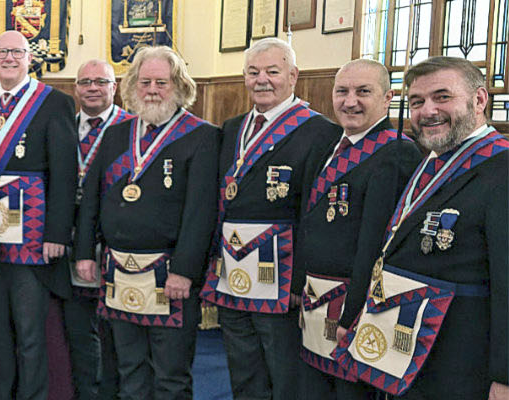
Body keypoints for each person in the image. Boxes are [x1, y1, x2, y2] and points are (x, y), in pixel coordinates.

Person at [332, 56, 508, 399]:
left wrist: (505, 376)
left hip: (462, 364)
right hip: (410, 355)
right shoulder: (432, 160)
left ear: (479, 100)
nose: (428, 111)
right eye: (416, 101)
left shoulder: (501, 168)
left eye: (442, 97)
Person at [199, 37, 342, 400]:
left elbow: (314, 213)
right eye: (253, 72)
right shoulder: (232, 128)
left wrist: (299, 279)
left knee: (285, 375)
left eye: (272, 71)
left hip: (281, 275)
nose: (262, 79)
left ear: (293, 76)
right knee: (243, 371)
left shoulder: (320, 131)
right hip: (232, 271)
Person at [74, 46, 218, 400]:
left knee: (171, 377)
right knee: (130, 372)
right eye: (145, 82)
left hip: (169, 276)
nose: (152, 90)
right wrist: (85, 253)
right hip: (118, 272)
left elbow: (201, 213)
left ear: (179, 86)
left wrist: (184, 271)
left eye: (161, 83)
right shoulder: (116, 134)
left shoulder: (201, 136)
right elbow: (92, 198)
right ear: (132, 86)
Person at [292, 59, 419, 399]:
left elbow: (375, 245)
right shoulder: (329, 146)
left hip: (353, 307)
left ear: (388, 98)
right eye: (342, 91)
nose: (350, 102)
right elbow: (309, 222)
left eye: (363, 92)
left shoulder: (397, 153)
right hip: (315, 300)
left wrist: (354, 315)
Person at [0, 30, 78, 400]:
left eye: (17, 51)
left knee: (30, 332)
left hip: (33, 237)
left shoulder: (55, 102)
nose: (9, 58)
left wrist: (57, 234)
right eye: (2, 52)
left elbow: (65, 174)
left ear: (30, 58)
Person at [65, 58, 135, 400]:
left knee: (115, 333)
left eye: (101, 82)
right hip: (68, 242)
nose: (92, 88)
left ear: (114, 87)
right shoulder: (63, 125)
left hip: (114, 244)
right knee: (78, 329)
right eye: (85, 82)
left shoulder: (132, 129)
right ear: (76, 88)